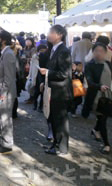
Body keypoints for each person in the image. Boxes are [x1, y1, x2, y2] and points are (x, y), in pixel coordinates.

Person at [39, 25, 73, 156]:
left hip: (60, 91)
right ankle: (56, 143)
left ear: (59, 35)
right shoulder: (54, 49)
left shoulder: (63, 50)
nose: (48, 34)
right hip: (53, 89)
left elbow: (64, 74)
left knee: (60, 120)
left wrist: (47, 72)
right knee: (54, 119)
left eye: (51, 32)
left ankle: (62, 147)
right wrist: (44, 81)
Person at [84, 43, 112, 154]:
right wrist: (99, 86)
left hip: (109, 95)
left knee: (103, 117)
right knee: (102, 118)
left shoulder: (108, 64)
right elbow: (90, 80)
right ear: (93, 52)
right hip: (97, 97)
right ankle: (106, 144)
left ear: (106, 53)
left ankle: (95, 130)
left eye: (101, 51)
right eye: (96, 51)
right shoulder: (90, 65)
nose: (98, 53)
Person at [0, 30, 17, 155]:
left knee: (5, 117)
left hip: (5, 93)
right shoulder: (5, 53)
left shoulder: (8, 54)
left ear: (3, 40)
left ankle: (7, 144)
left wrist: (2, 93)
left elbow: (9, 77)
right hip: (2, 91)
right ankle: (4, 140)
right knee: (2, 116)